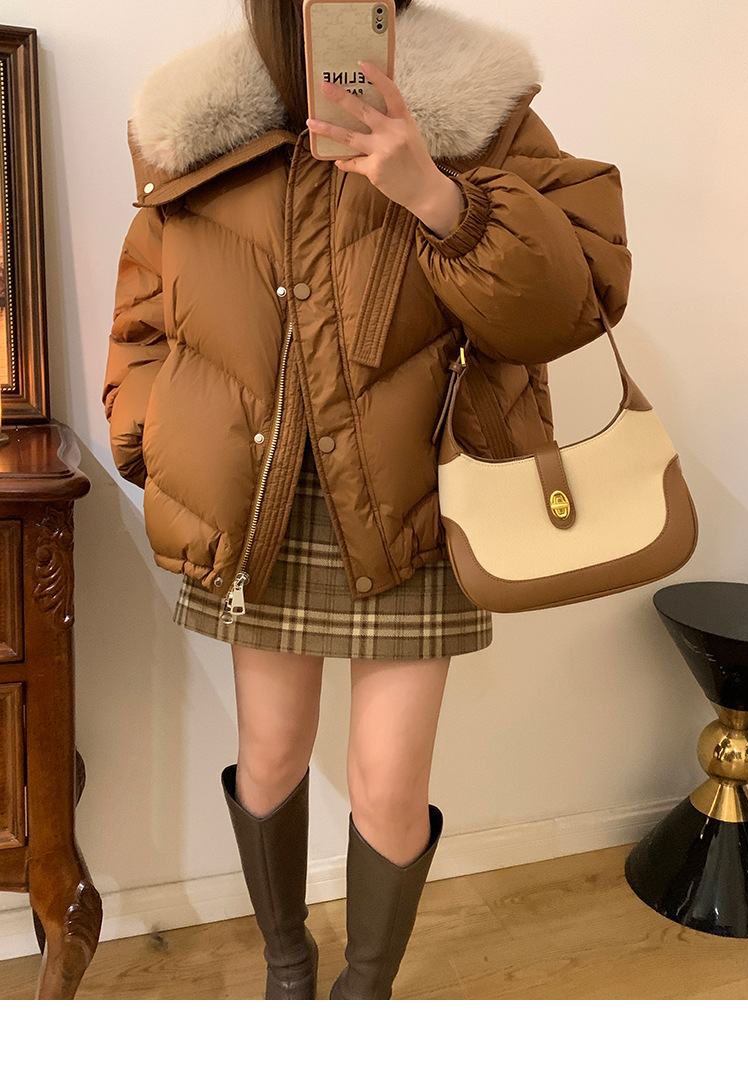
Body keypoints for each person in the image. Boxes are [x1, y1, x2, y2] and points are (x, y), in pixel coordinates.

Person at [102, 0, 630, 1000]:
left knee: (389, 783)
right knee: (270, 755)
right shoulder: (199, 120)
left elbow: (577, 300)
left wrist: (439, 195)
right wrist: (151, 437)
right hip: (257, 504)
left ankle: (365, 999)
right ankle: (287, 966)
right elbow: (142, 316)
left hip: (417, 499)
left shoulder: (484, 111)